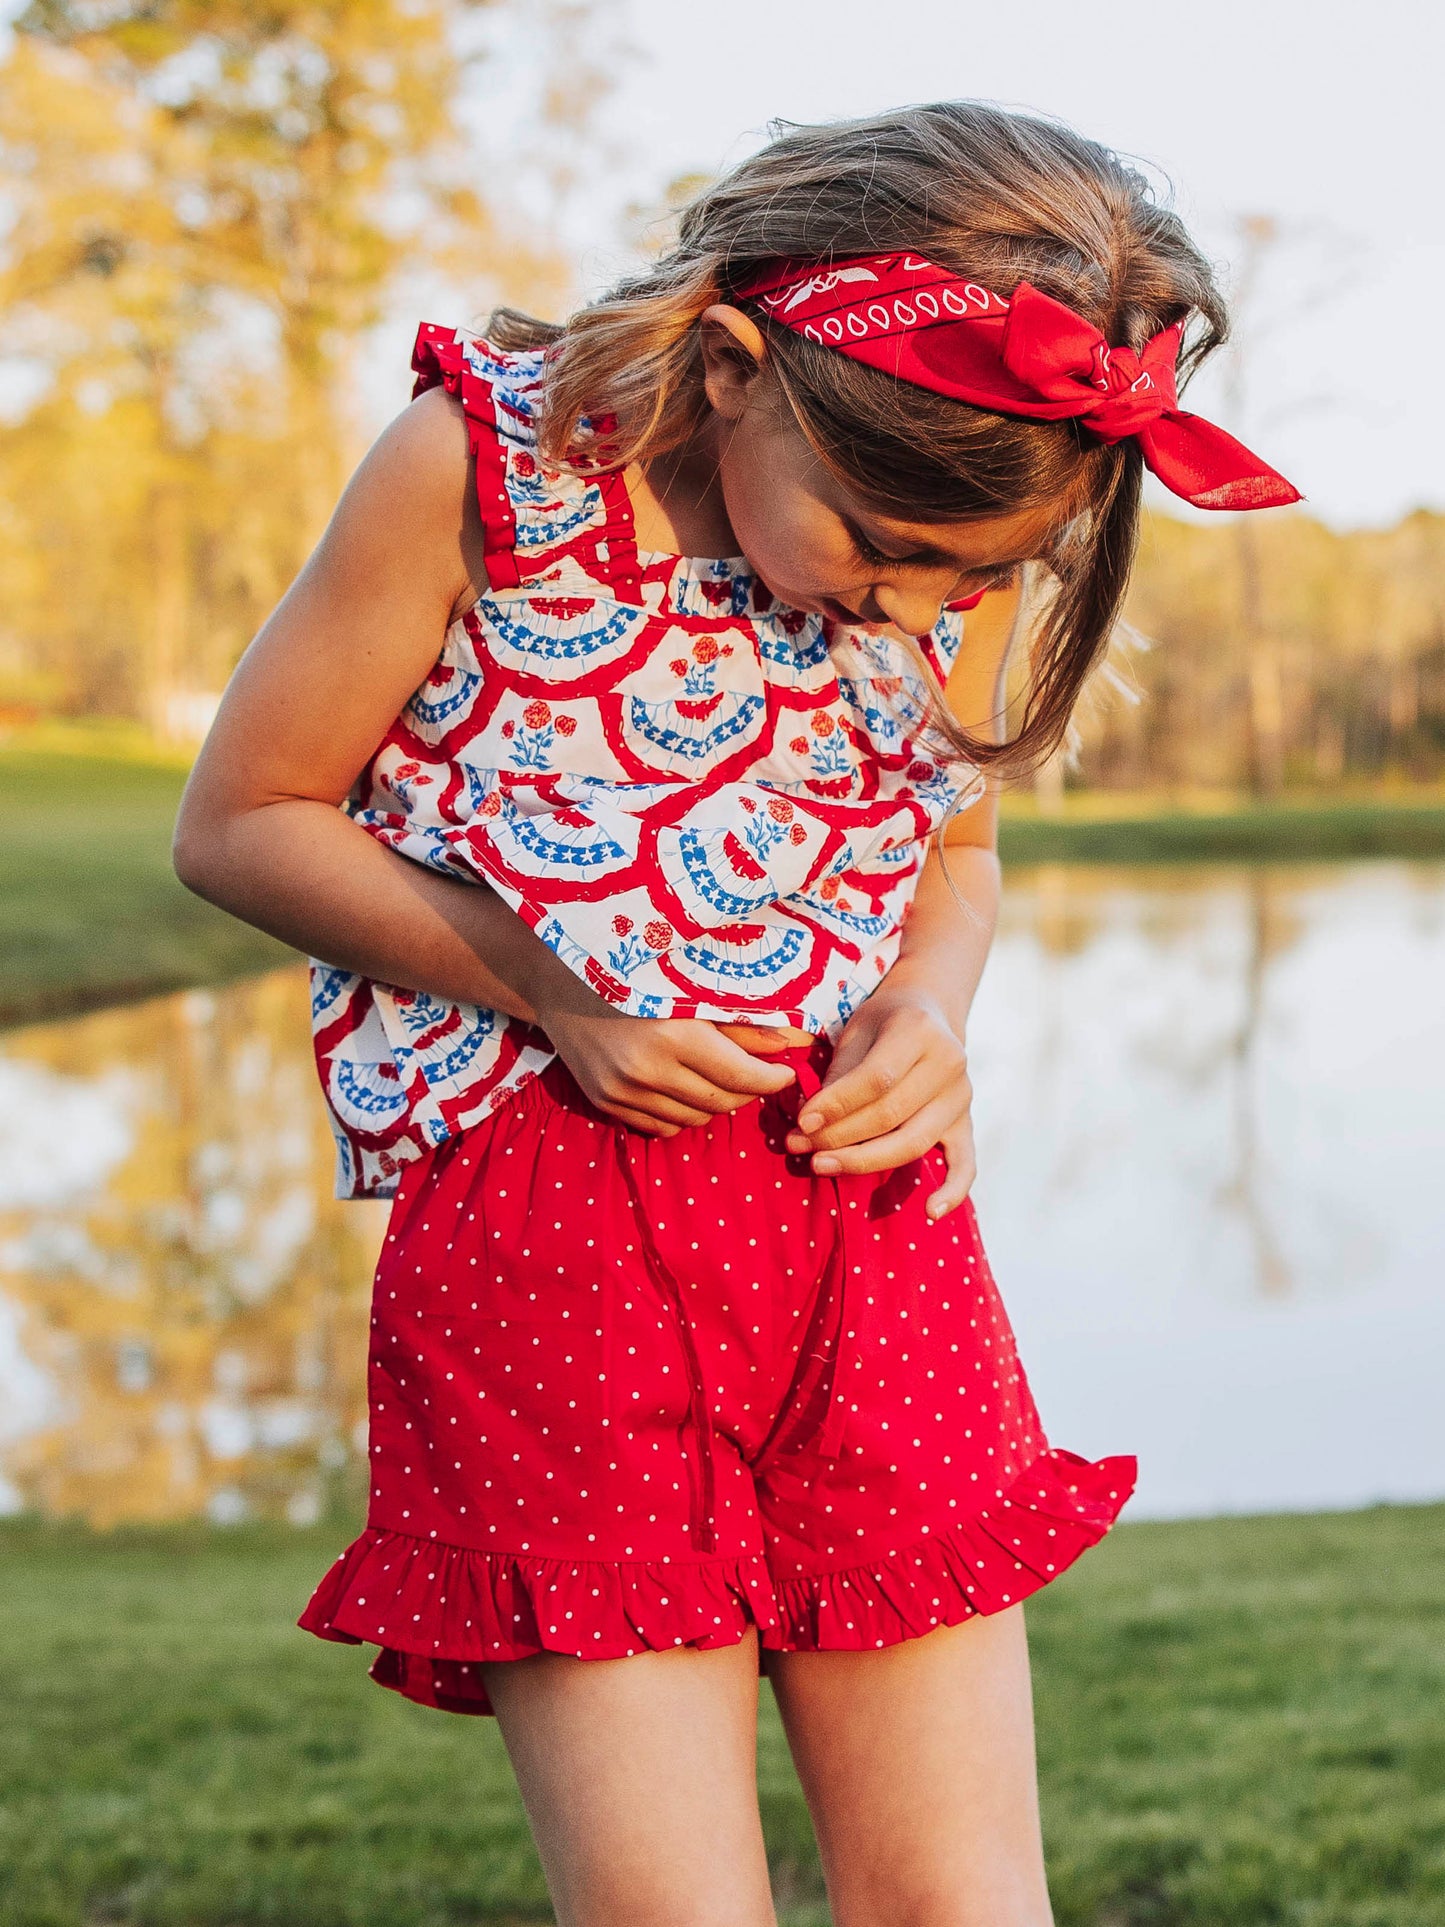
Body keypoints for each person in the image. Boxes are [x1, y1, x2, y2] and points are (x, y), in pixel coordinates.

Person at [174, 101, 1295, 1927]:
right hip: (556, 1258)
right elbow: (243, 822)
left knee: (962, 1903)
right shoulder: (483, 470)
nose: (918, 604)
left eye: (974, 579)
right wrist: (554, 994)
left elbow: (954, 847)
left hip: (873, 1246)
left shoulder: (971, 528)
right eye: (881, 543)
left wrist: (928, 1007)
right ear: (731, 369)